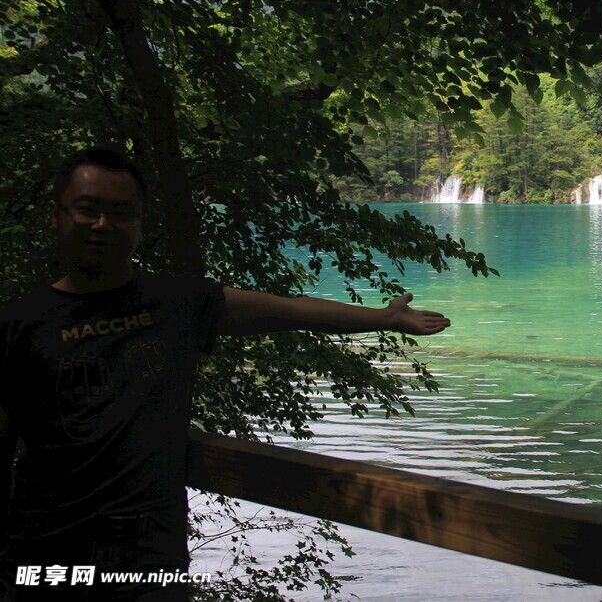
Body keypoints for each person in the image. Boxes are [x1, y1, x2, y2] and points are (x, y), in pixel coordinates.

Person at [0, 148, 450, 600]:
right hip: (43, 552)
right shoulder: (20, 326)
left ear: (139, 222)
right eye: (88, 209)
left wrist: (382, 318)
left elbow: (290, 310)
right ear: (56, 214)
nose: (102, 224)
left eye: (120, 213)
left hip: (147, 557)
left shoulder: (177, 303)